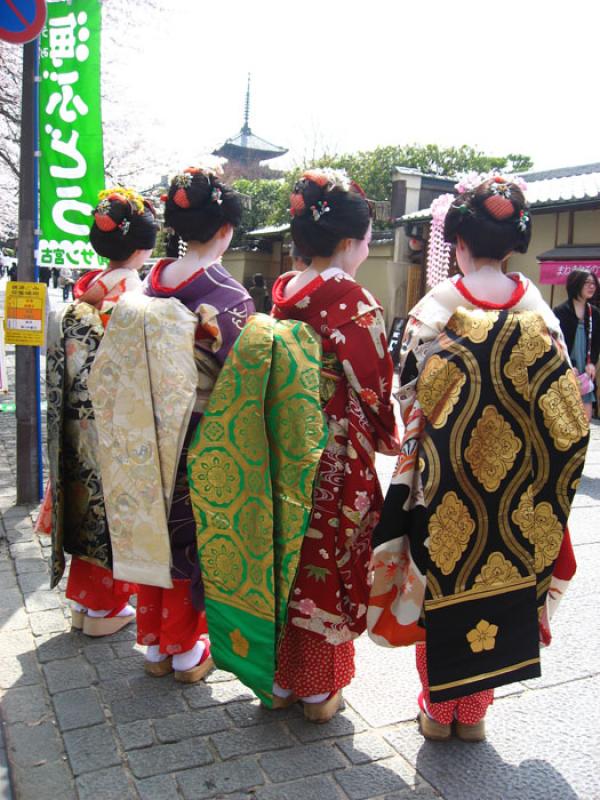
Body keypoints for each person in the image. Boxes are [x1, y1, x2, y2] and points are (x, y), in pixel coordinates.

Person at [368, 176, 589, 742]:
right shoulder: (542, 314)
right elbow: (566, 410)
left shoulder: (434, 308)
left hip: (444, 483)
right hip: (519, 487)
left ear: (458, 243)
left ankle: (438, 709)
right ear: (514, 244)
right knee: (505, 577)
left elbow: (408, 393)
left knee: (441, 582)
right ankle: (476, 712)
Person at [192, 168, 398, 720]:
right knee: (327, 557)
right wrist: (386, 434)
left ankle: (278, 680)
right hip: (334, 454)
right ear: (354, 242)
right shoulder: (353, 301)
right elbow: (376, 386)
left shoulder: (285, 293)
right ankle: (315, 690)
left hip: (282, 445)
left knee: (283, 549)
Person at [89, 166, 254, 682]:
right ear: (225, 230)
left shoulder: (150, 280)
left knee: (152, 527)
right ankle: (185, 647)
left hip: (142, 427)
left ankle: (156, 643)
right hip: (196, 430)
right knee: (189, 536)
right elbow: (240, 381)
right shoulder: (228, 295)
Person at [45, 187, 158, 636]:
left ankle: (83, 603)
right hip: (119, 419)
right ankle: (106, 607)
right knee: (116, 509)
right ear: (142, 248)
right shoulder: (134, 297)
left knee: (84, 500)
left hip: (77, 419)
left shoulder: (84, 292)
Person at [553, 269, 600, 422]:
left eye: (594, 283)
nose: (592, 286)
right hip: (566, 366)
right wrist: (566, 365)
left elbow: (596, 343)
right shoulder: (561, 311)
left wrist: (592, 363)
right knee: (564, 415)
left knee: (585, 417)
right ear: (576, 284)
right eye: (587, 283)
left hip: (585, 371)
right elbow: (554, 342)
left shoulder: (594, 313)